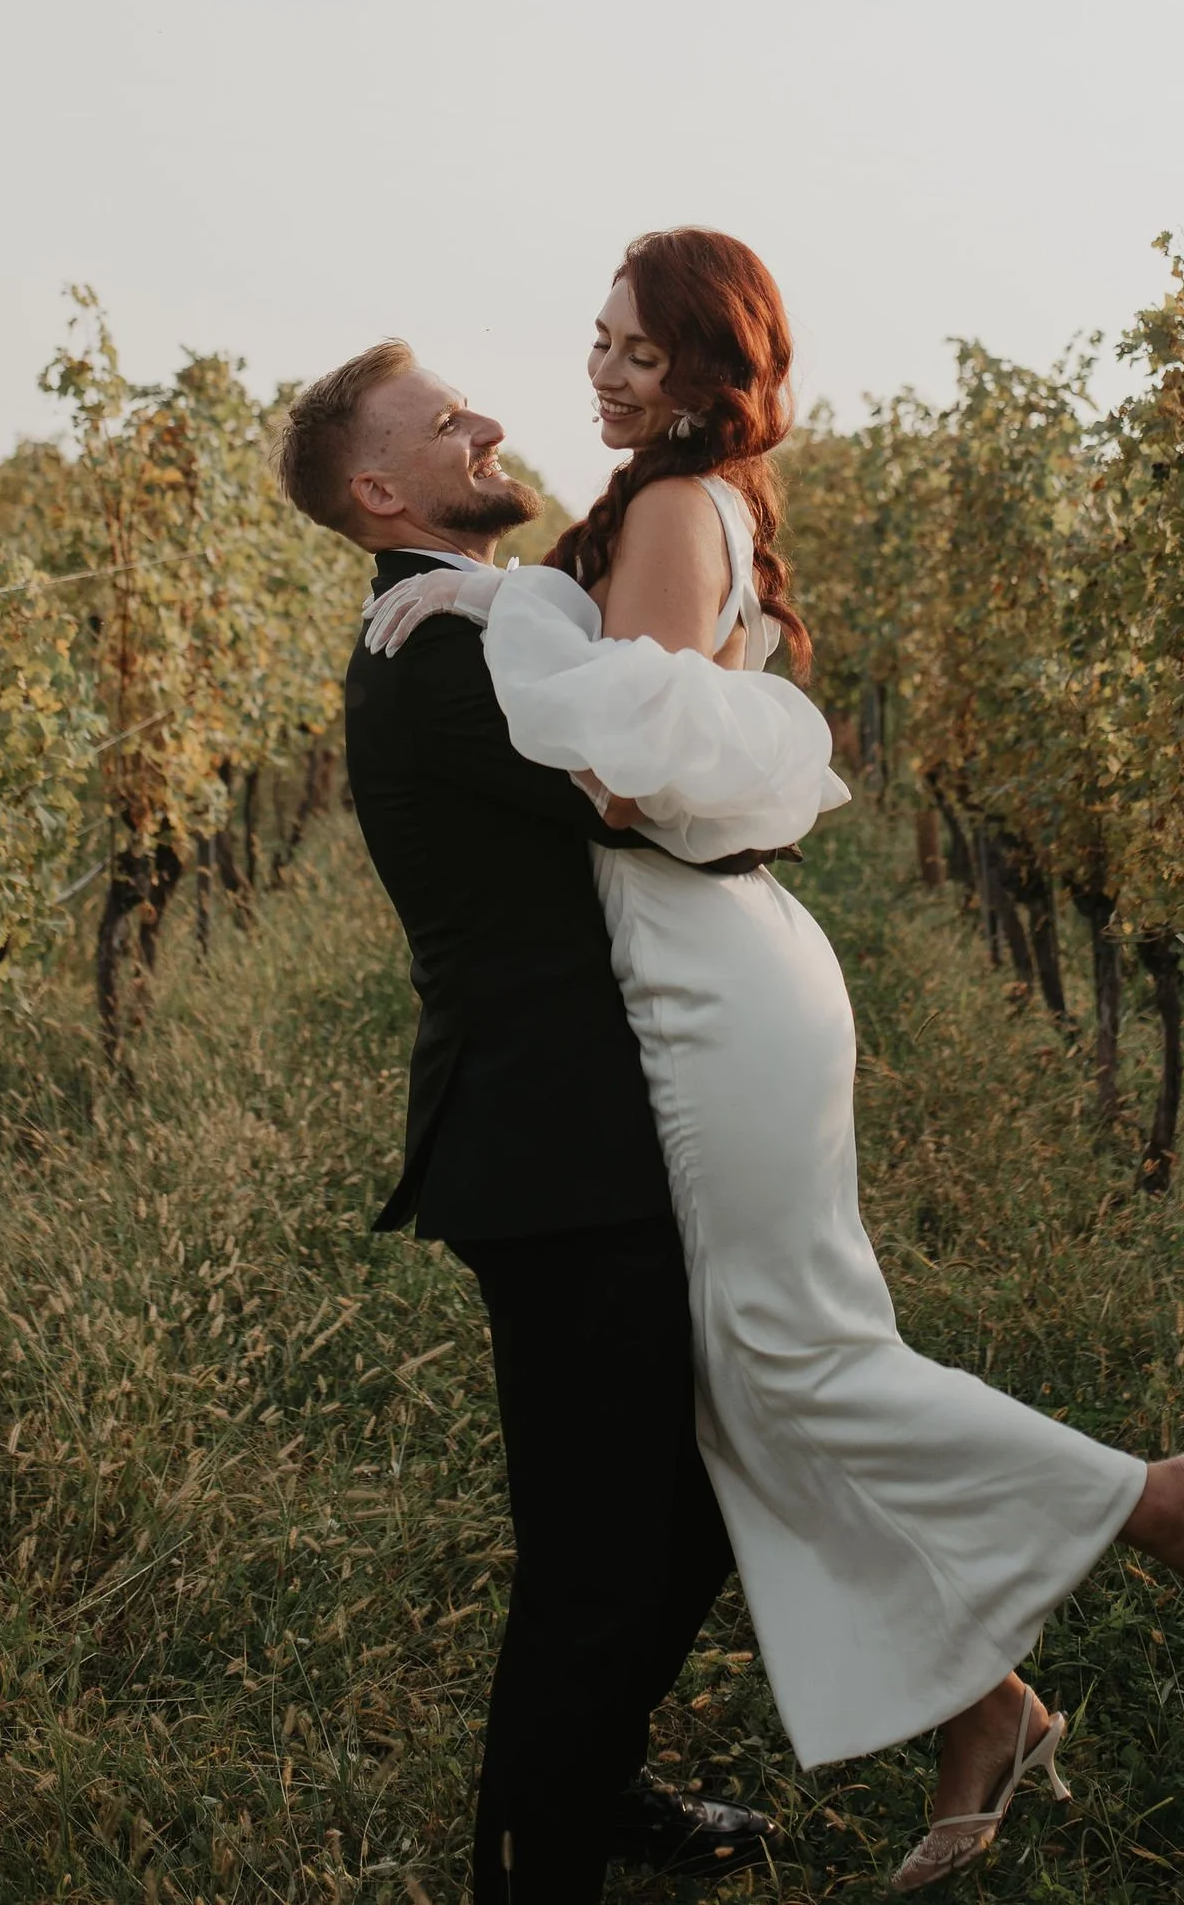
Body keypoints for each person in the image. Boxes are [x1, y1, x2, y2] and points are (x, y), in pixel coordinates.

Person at [363, 231, 1184, 1894]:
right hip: (722, 963)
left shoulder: (662, 508)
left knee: (791, 1364)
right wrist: (513, 601)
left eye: (639, 353)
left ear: (712, 367)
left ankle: (1155, 1503)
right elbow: (650, 697)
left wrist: (494, 607)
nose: (602, 374)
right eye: (599, 342)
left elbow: (633, 773)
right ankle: (980, 1701)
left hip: (706, 975)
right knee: (753, 1384)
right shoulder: (686, 503)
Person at [275, 344, 778, 1905]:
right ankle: (531, 1862)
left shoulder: (471, 622)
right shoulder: (434, 651)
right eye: (444, 424)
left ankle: (590, 1775)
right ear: (379, 492)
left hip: (585, 1124)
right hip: (553, 1146)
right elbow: (653, 792)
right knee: (601, 1542)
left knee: (682, 1499)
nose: (489, 423)